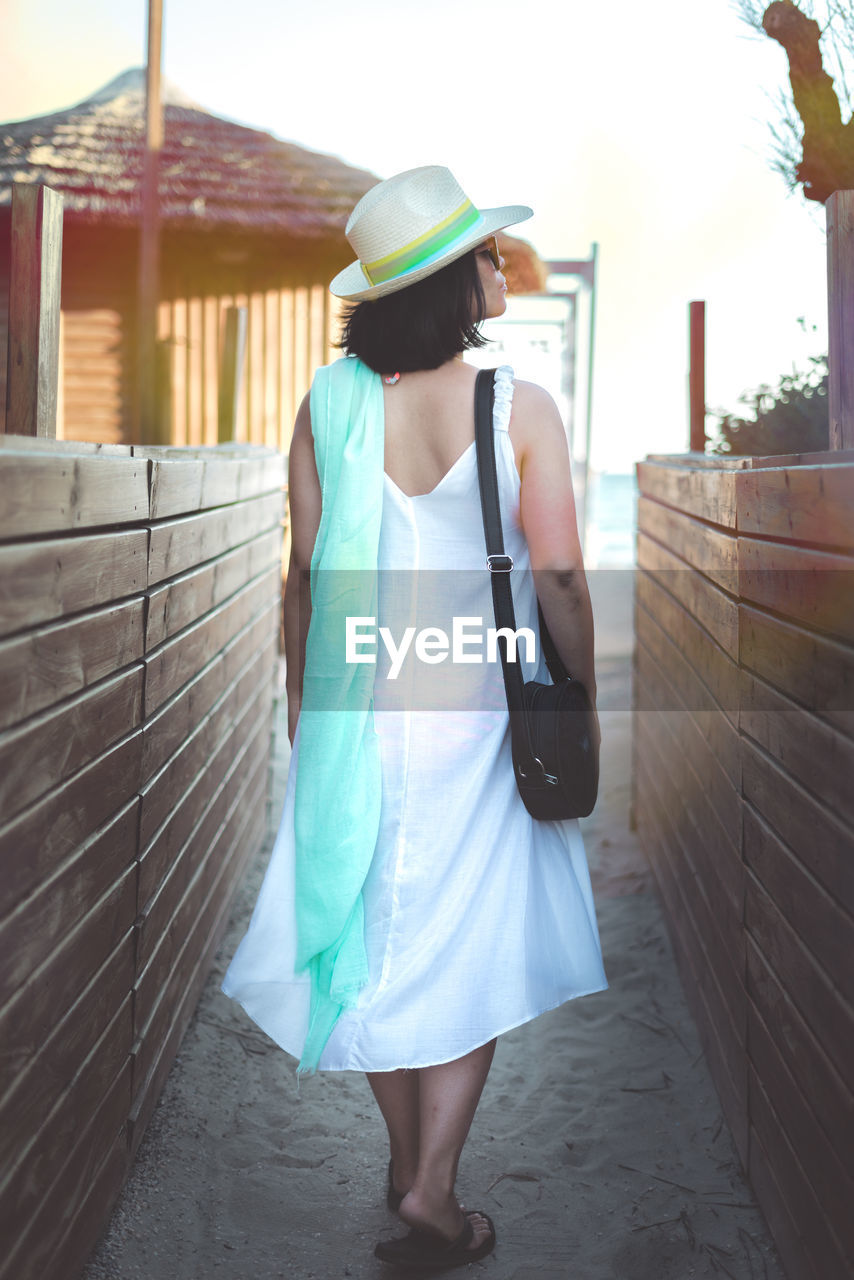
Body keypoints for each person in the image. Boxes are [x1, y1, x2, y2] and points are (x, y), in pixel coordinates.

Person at [222, 165, 607, 1272]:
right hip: (477, 706)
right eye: (486, 257)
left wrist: (302, 709)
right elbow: (562, 578)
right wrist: (580, 692)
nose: (500, 271)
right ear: (451, 283)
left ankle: (405, 1166)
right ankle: (434, 1191)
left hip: (357, 705)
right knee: (467, 941)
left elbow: (302, 578)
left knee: (371, 940)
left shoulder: (327, 404)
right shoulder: (517, 403)